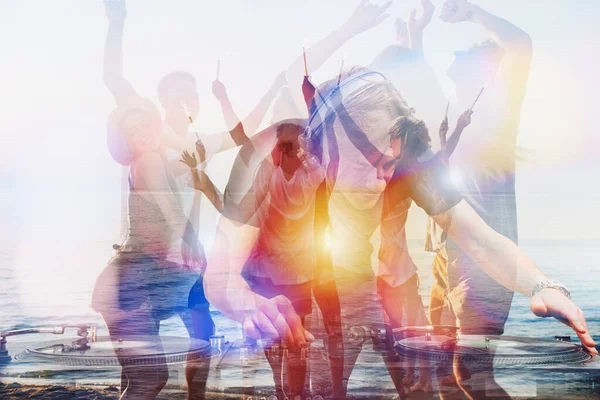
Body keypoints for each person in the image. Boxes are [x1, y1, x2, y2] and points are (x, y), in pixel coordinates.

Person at [182, 121, 326, 400]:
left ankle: (292, 394)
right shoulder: (267, 180)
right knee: (272, 337)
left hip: (288, 271)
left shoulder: (309, 177)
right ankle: (282, 393)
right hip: (260, 270)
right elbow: (232, 212)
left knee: (292, 337)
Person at [91, 99, 205, 400]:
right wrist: (196, 245)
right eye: (132, 130)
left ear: (156, 122)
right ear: (124, 141)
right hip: (129, 286)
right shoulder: (148, 162)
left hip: (128, 286)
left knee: (141, 378)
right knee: (150, 378)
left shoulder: (152, 164)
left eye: (145, 122)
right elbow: (171, 213)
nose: (142, 132)